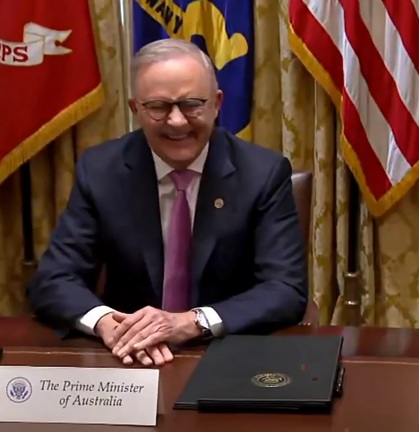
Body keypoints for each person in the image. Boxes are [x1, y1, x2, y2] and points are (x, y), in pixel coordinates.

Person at [28, 39, 308, 367]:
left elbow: (285, 289)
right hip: (130, 358)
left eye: (191, 104)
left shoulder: (262, 174)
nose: (177, 121)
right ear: (136, 109)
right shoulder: (101, 170)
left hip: (229, 356)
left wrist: (191, 322)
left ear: (217, 103)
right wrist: (109, 324)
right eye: (158, 106)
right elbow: (54, 280)